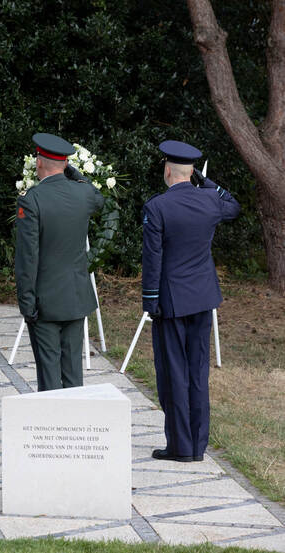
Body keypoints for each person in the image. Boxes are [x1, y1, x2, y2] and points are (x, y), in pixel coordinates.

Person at [143, 140, 240, 463]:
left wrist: (150, 300)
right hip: (203, 299)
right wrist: (205, 181)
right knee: (198, 372)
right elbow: (233, 204)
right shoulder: (210, 202)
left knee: (173, 374)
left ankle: (180, 447)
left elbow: (153, 258)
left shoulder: (157, 207)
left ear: (167, 170)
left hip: (171, 301)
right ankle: (197, 445)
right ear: (191, 172)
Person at [15, 133, 105, 391]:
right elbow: (98, 199)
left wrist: (27, 302)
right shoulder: (83, 193)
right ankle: (75, 426)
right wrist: (79, 177)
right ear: (66, 164)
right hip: (76, 296)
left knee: (49, 374)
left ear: (39, 162)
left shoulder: (32, 200)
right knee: (74, 372)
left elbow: (28, 258)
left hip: (45, 301)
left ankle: (52, 426)